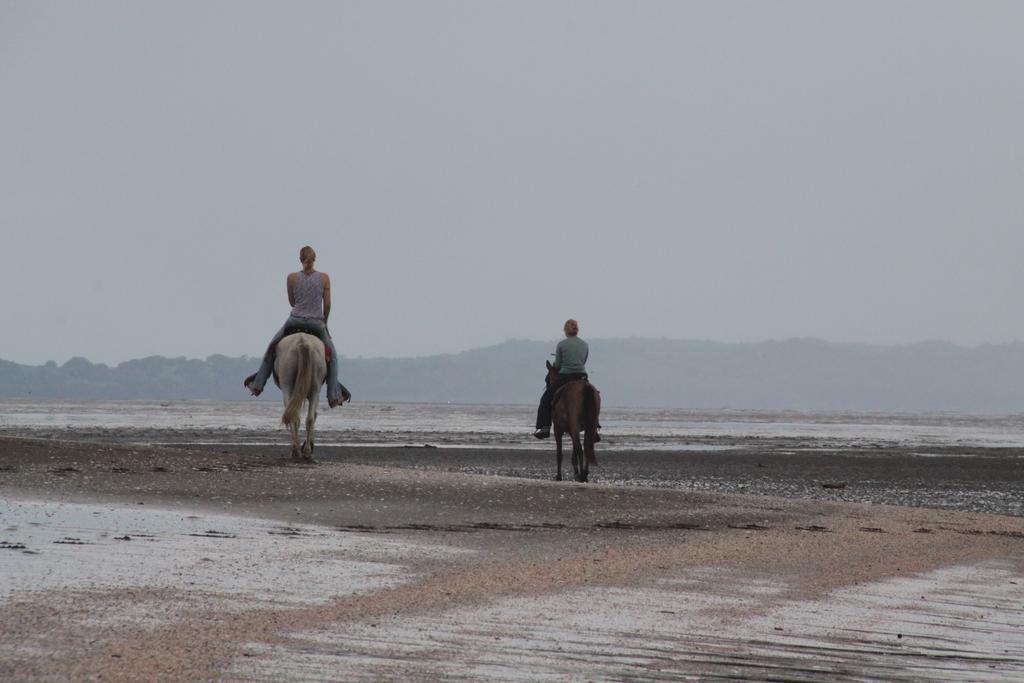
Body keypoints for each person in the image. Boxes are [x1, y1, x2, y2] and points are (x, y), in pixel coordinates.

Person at [244, 245, 350, 407]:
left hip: (294, 321)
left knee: (272, 349)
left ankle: (257, 384)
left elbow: (292, 302)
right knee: (333, 357)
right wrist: (325, 323)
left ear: (300, 260)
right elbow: (327, 305)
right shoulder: (324, 278)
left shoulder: (291, 278)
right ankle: (333, 395)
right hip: (317, 323)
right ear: (315, 259)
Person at [534, 318, 589, 439]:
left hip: (565, 377)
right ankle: (594, 426)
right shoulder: (585, 345)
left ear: (566, 330)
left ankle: (545, 427)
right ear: (577, 330)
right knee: (591, 397)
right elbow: (583, 361)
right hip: (582, 376)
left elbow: (558, 365)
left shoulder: (562, 344)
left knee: (545, 399)